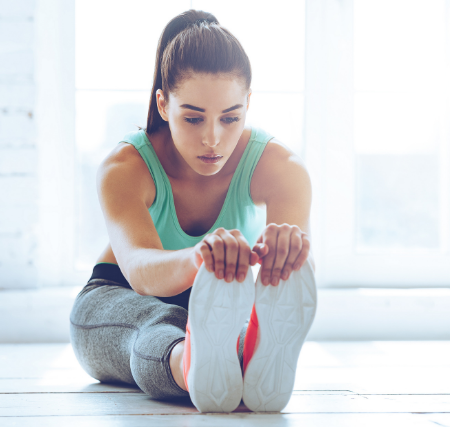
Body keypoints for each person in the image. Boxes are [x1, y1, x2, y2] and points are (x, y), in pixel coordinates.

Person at [69, 9, 317, 413]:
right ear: (163, 105)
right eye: (193, 117)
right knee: (158, 328)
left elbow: (286, 286)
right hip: (119, 296)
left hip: (220, 304)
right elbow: (138, 269)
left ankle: (243, 354)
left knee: (231, 338)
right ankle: (193, 364)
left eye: (230, 117)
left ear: (249, 104)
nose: (213, 138)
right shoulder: (125, 168)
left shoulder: (282, 170)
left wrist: (287, 253)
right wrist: (200, 257)